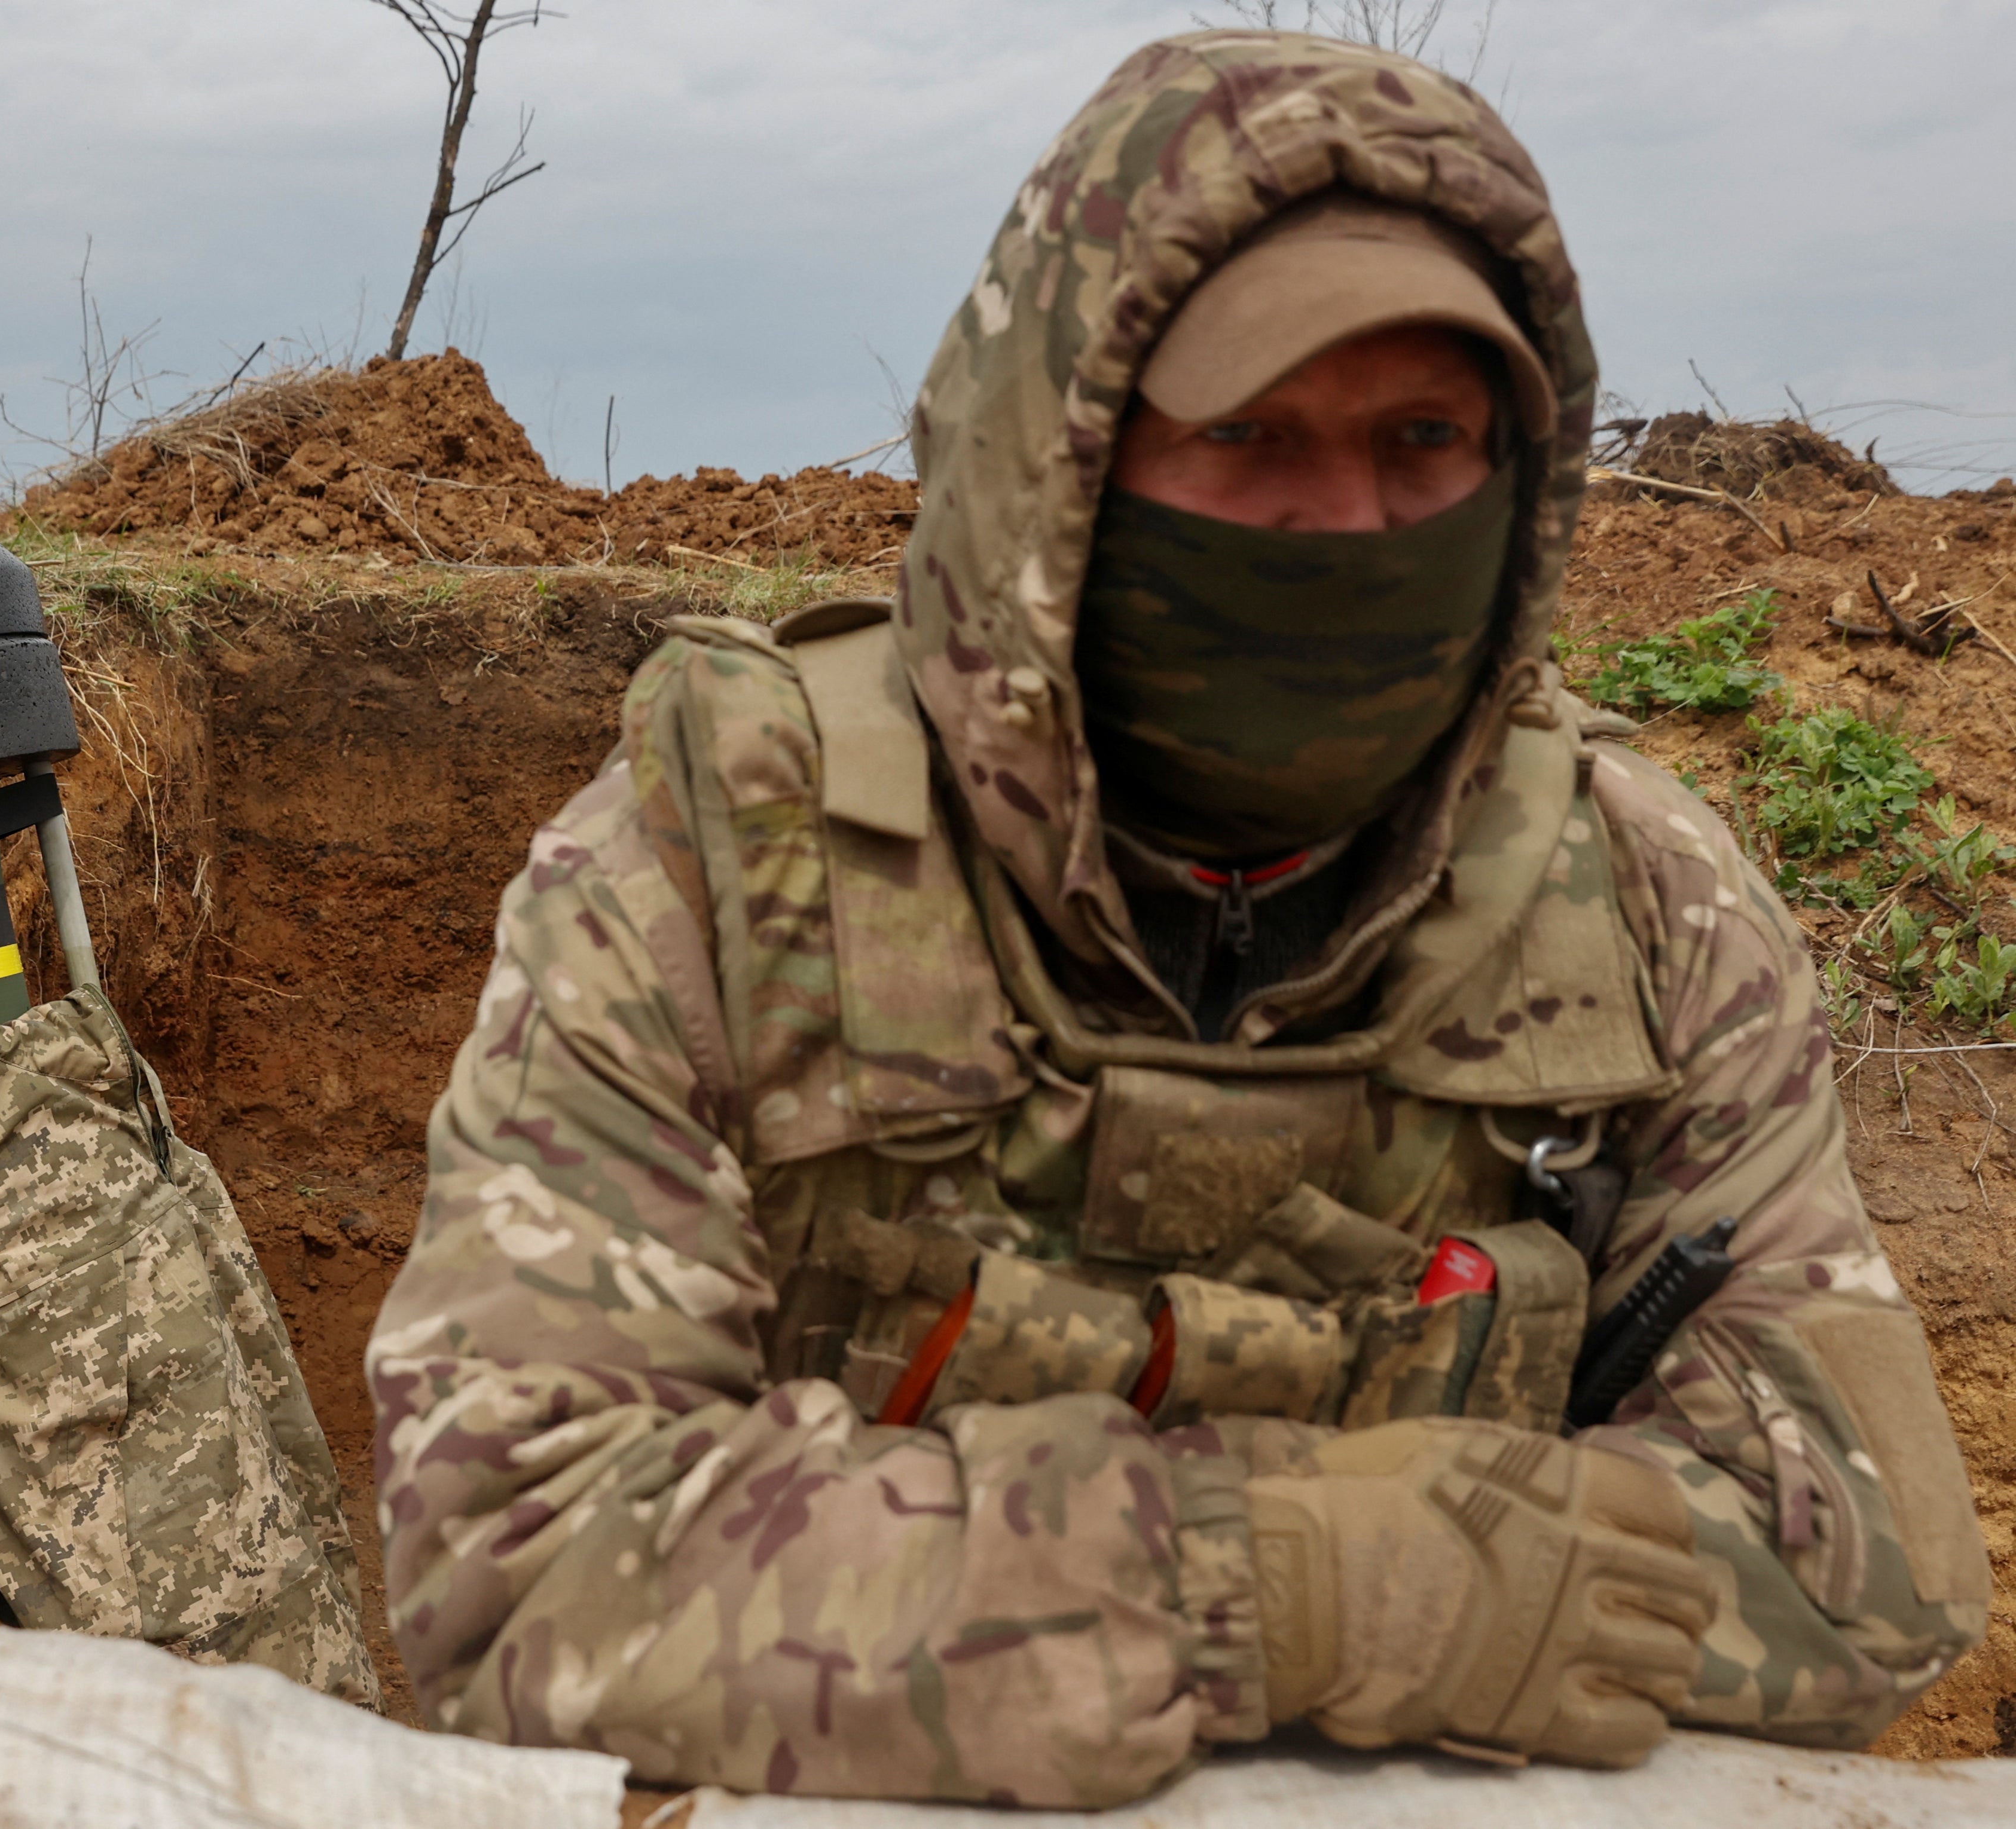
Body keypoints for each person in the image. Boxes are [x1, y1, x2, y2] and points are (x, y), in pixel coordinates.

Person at [365, 27, 1987, 1807]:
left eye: (1425, 440)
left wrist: (924, 1577)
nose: (1345, 520)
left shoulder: (1642, 904)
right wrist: (1266, 1583)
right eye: (1249, 434)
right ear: (1059, 467)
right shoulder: (712, 875)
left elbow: (1868, 1565)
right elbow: (519, 1566)